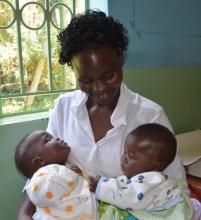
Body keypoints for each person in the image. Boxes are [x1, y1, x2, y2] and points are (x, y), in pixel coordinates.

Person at [17, 10, 186, 219]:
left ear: (121, 58)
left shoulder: (150, 116)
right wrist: (24, 213)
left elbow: (176, 188)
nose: (99, 89)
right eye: (86, 80)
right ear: (74, 69)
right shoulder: (63, 108)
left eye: (109, 76)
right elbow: (43, 172)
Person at [89, 123, 193, 220]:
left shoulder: (154, 182)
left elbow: (129, 197)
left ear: (154, 166)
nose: (123, 158)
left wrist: (100, 185)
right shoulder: (143, 178)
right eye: (125, 152)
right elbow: (124, 185)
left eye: (131, 156)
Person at [15, 130, 97, 220]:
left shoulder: (67, 168)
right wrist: (68, 171)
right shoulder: (42, 178)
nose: (57, 138)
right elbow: (51, 184)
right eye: (48, 139)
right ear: (40, 161)